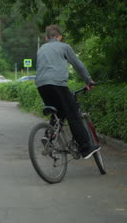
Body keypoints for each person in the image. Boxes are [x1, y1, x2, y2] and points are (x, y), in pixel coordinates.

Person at [35, 25, 99, 159]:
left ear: (47, 38)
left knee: (58, 112)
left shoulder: (41, 49)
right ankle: (86, 148)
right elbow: (78, 65)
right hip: (57, 83)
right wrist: (88, 81)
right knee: (73, 114)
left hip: (41, 85)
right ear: (60, 37)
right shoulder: (64, 47)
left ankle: (49, 136)